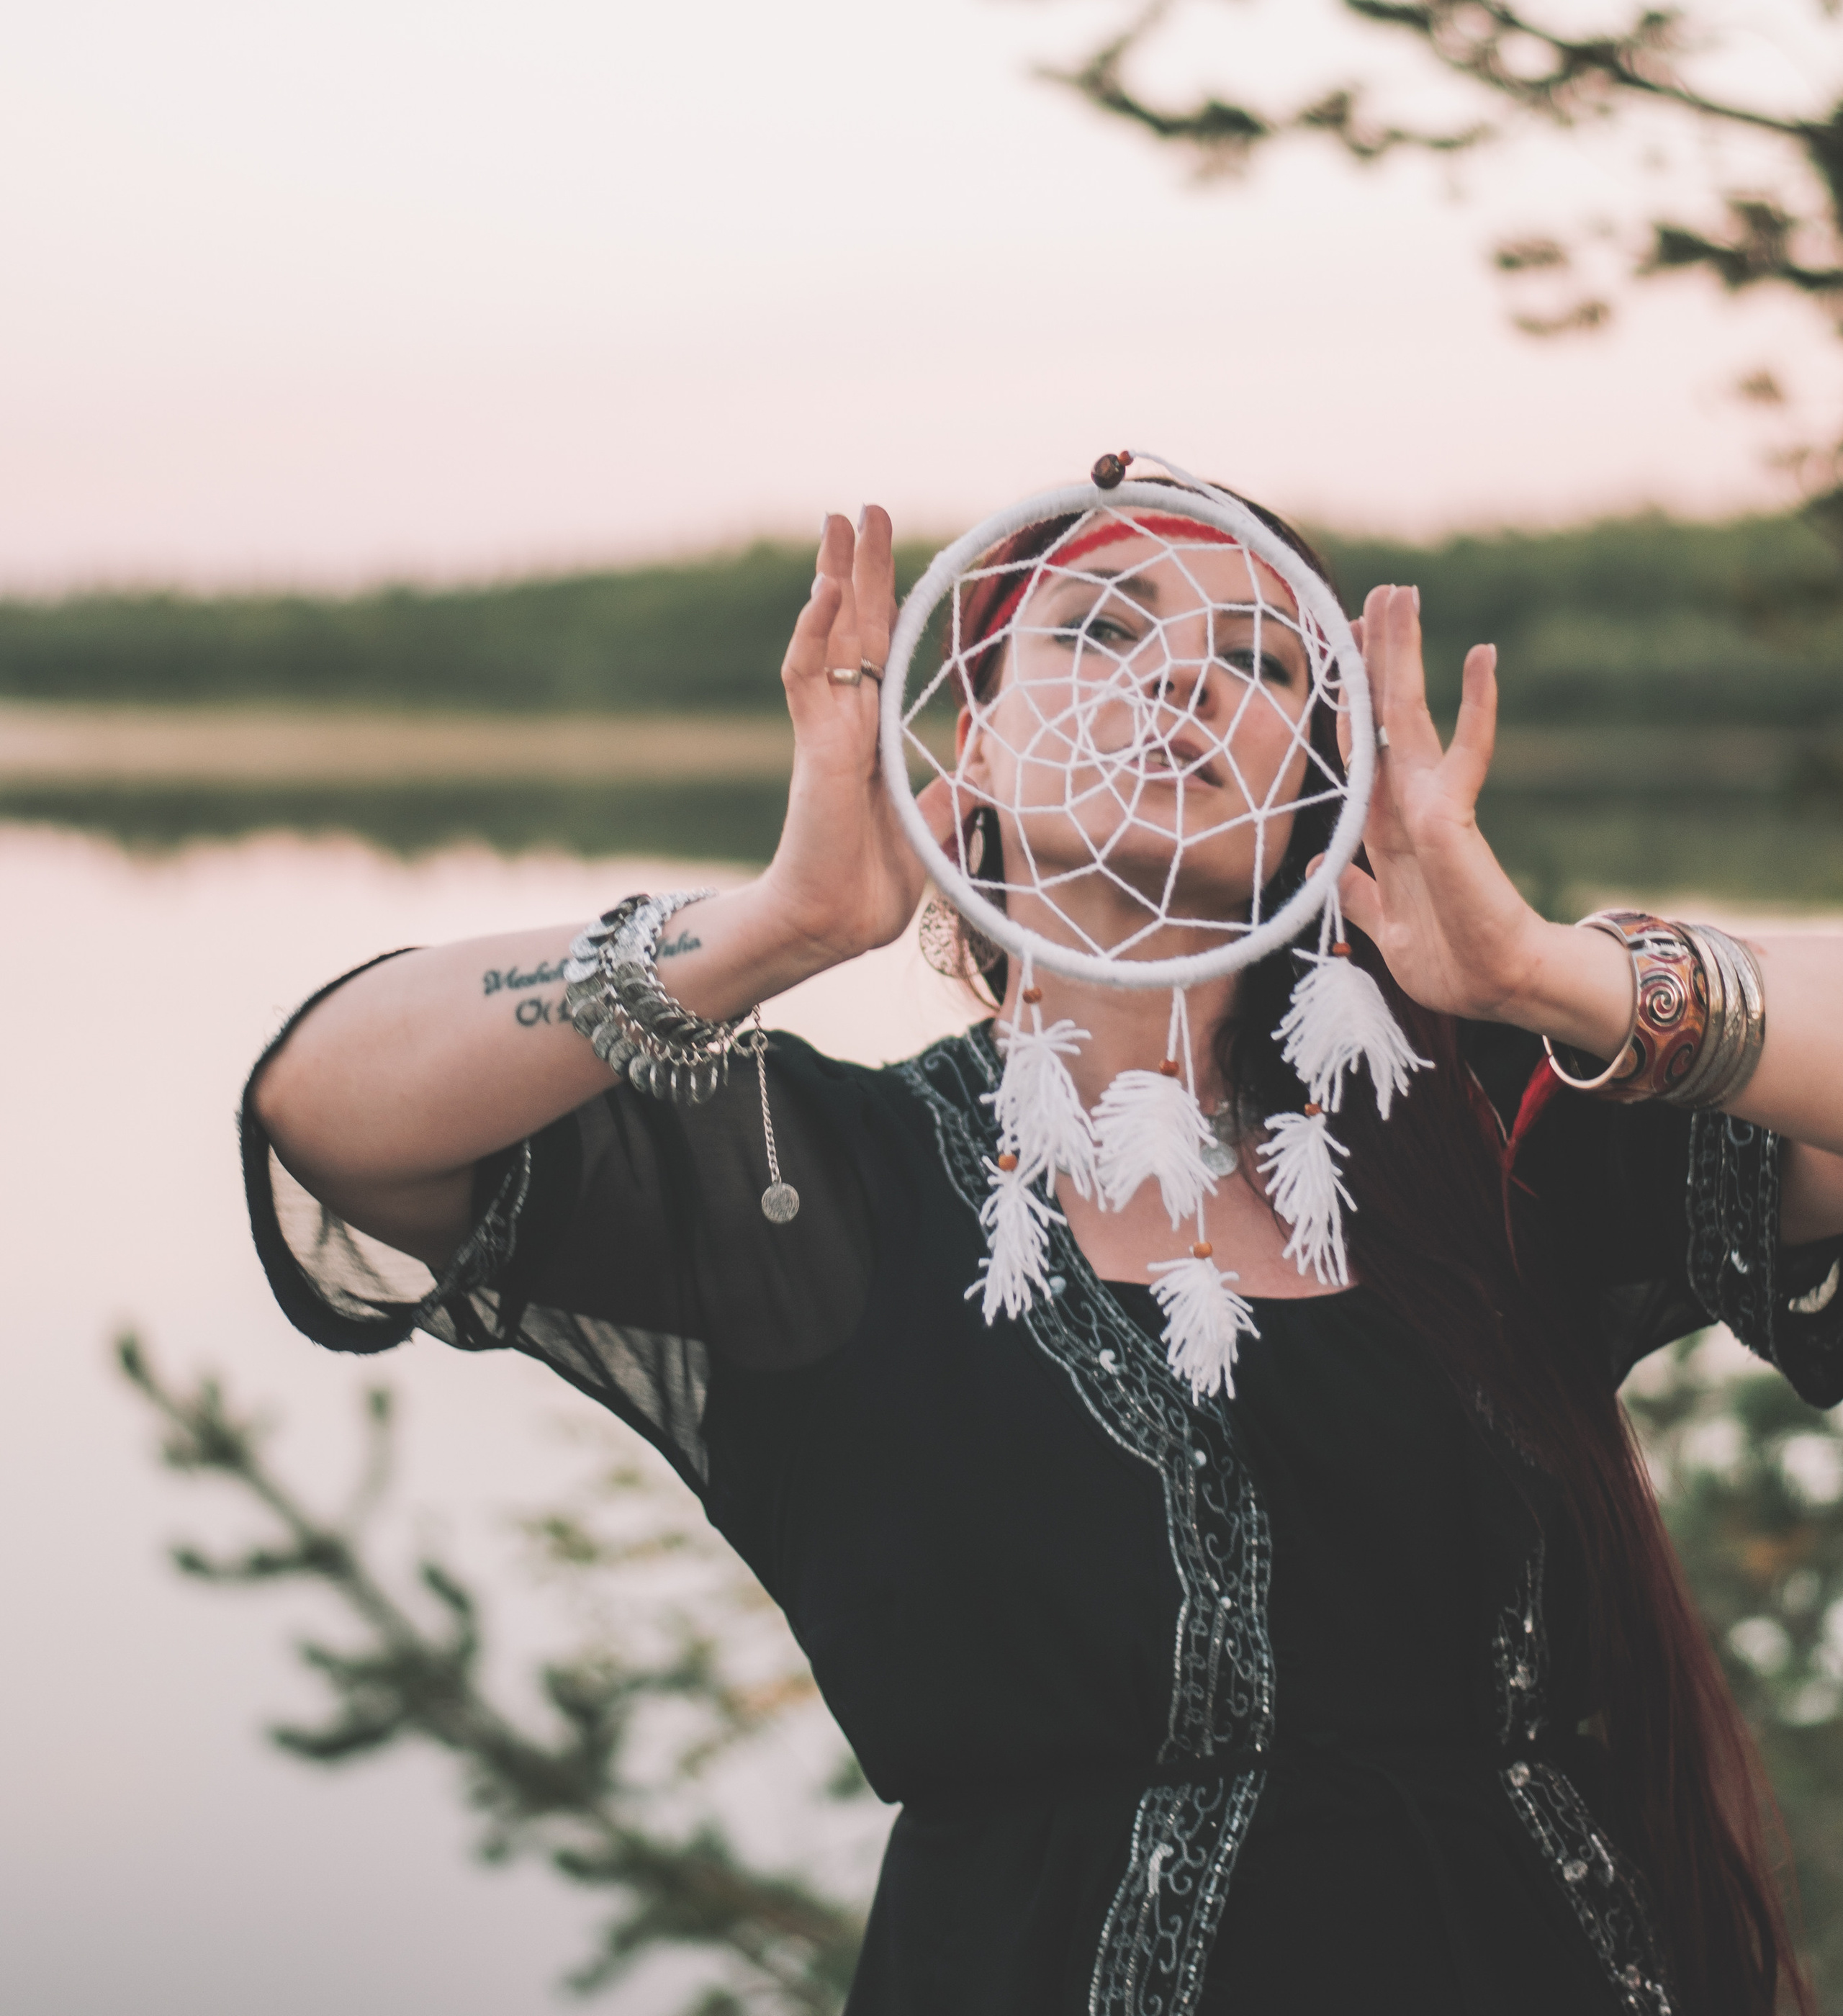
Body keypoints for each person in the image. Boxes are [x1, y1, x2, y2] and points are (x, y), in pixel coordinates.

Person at [244, 496, 1843, 2016]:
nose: (1176, 684)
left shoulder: (1500, 1123)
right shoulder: (820, 1183)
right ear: (974, 757)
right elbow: (332, 1114)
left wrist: (1560, 981)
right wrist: (765, 932)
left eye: (1258, 659)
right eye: (1093, 628)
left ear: (1314, 785)